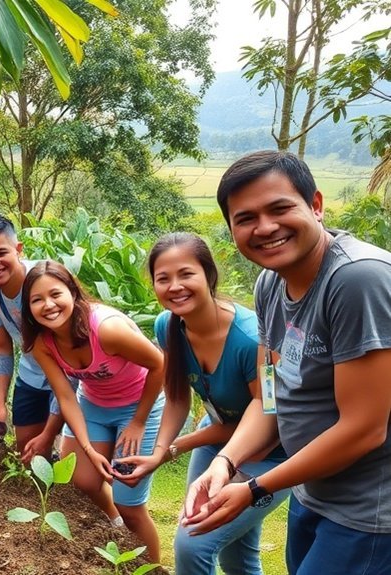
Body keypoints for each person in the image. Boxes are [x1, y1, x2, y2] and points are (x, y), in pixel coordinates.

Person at [182, 151, 391, 574]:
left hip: (371, 510)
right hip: (314, 493)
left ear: (316, 205)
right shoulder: (270, 284)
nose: (265, 228)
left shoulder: (357, 279)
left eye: (280, 208)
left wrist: (256, 488)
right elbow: (271, 396)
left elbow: (364, 429)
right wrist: (227, 462)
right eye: (246, 218)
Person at [115, 232, 289, 574]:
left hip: (270, 453)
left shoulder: (252, 338)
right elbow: (178, 395)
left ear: (208, 275)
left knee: (194, 541)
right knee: (238, 556)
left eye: (186, 274)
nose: (175, 286)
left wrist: (174, 449)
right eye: (163, 278)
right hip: (216, 440)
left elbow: (268, 411)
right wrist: (159, 450)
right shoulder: (169, 326)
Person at [20, 260, 165, 562]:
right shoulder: (42, 342)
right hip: (93, 404)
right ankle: (115, 523)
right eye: (37, 299)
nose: (48, 305)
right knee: (83, 481)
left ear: (73, 293)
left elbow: (159, 364)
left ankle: (153, 567)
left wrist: (138, 422)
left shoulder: (107, 329)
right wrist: (86, 446)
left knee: (130, 504)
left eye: (55, 294)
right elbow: (65, 396)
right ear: (28, 307)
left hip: (138, 407)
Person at [0, 215, 62, 455]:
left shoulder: (45, 279)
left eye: (1, 253)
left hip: (69, 374)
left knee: (75, 465)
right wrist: (0, 404)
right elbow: (0, 346)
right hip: (31, 372)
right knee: (28, 452)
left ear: (18, 250)